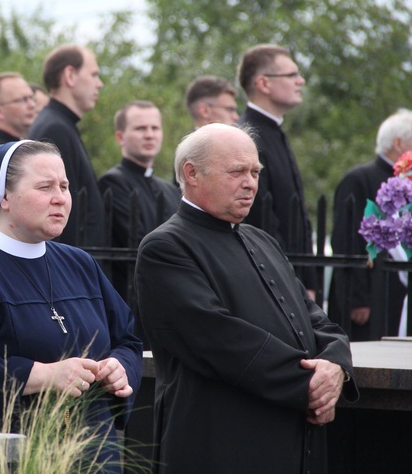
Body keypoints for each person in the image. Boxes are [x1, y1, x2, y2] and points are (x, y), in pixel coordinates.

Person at [136, 123, 358, 473]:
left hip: (291, 438)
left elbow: (314, 318)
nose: (251, 182)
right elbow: (218, 339)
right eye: (237, 171)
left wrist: (336, 364)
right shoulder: (166, 247)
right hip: (222, 443)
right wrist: (310, 386)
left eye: (255, 172)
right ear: (192, 174)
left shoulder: (261, 240)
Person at [0, 141, 142, 471]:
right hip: (18, 457)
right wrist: (42, 375)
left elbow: (128, 339)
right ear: (3, 197)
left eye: (64, 186)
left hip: (95, 455)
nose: (60, 197)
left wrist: (120, 367)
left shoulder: (80, 264)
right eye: (45, 187)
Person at [236, 44, 317, 297]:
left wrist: (309, 279)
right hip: (270, 280)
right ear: (264, 83)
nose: (300, 81)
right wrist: (291, 279)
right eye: (291, 75)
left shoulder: (274, 132)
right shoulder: (247, 136)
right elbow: (260, 218)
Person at [97, 101, 179, 338]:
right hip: (133, 301)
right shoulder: (112, 183)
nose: (150, 134)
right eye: (141, 128)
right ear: (121, 137)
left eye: (155, 128)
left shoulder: (169, 188)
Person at [329, 109, 412, 340]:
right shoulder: (359, 179)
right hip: (369, 298)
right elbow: (347, 240)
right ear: (398, 143)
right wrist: (357, 298)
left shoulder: (405, 181)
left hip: (396, 293)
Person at [27, 44, 105, 246]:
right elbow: (59, 213)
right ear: (70, 75)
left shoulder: (60, 124)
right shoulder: (55, 129)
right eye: (94, 75)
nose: (100, 84)